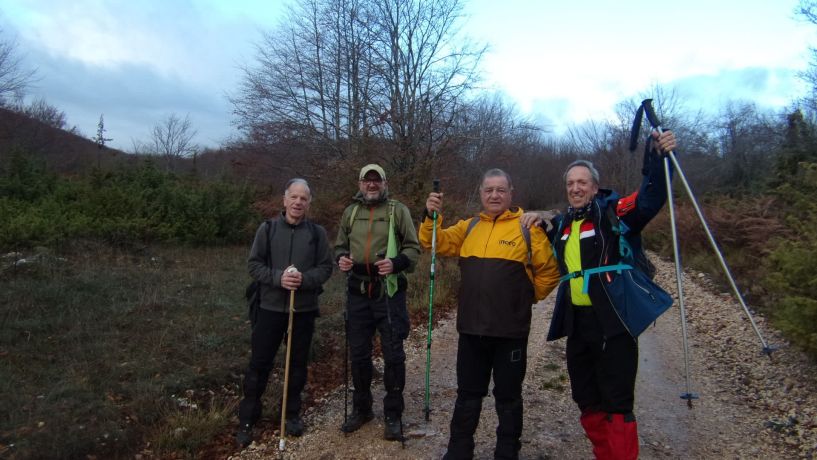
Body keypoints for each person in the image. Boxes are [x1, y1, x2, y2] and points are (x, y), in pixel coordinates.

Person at [526, 130, 677, 459]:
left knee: (617, 401)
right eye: (570, 184)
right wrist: (543, 223)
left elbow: (649, 199)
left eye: (582, 183)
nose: (576, 188)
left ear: (595, 187)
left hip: (613, 322)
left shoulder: (614, 213)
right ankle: (604, 453)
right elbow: (558, 243)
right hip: (578, 324)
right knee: (586, 396)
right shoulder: (566, 222)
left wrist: (657, 157)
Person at [419, 168, 561, 460]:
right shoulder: (469, 227)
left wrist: (526, 297)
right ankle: (459, 451)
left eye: (500, 190)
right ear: (481, 193)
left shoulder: (527, 228)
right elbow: (435, 243)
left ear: (511, 193)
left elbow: (549, 273)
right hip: (471, 330)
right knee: (468, 395)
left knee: (508, 399)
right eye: (488, 190)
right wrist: (430, 215)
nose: (494, 195)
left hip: (510, 333)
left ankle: (507, 451)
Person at [236, 178, 333, 448]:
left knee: (297, 365)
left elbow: (326, 268)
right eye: (294, 197)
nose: (298, 202)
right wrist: (279, 278)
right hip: (269, 309)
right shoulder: (267, 230)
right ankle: (247, 419)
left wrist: (304, 280)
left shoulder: (317, 234)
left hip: (303, 310)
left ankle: (291, 414)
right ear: (284, 199)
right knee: (259, 365)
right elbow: (254, 265)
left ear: (309, 203)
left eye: (304, 198)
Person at [334, 163, 421, 441]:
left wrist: (396, 263)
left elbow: (413, 249)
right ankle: (362, 409)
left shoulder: (398, 210)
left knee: (394, 354)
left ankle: (393, 414)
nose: (371, 185)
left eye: (377, 180)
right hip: (357, 290)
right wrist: (341, 258)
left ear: (385, 183)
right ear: (360, 183)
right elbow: (339, 246)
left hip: (388, 293)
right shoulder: (351, 212)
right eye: (366, 180)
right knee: (359, 354)